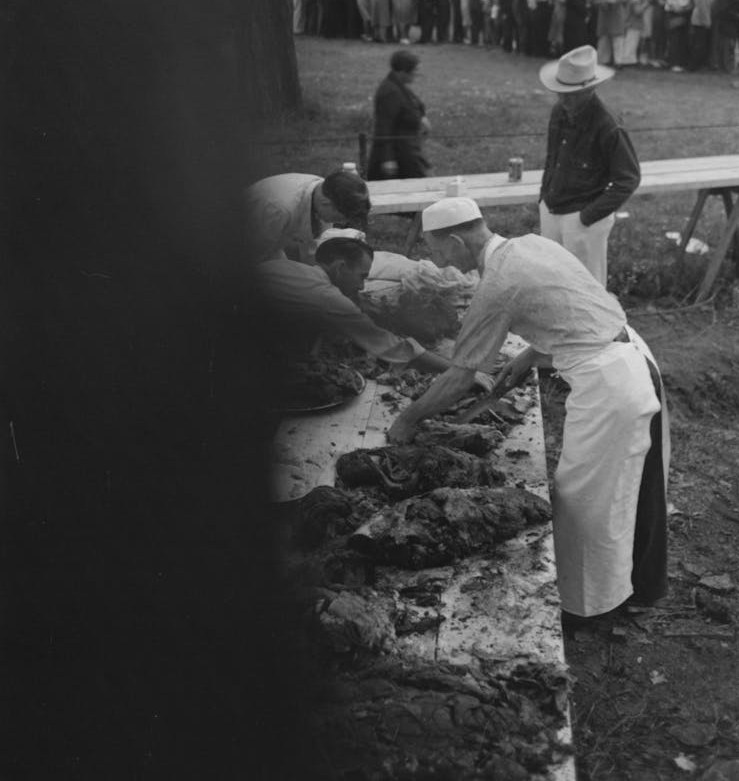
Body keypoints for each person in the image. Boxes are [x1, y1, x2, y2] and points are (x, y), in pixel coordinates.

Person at [387, 196, 670, 627]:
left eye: (436, 249)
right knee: (639, 483)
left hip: (611, 382)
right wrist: (529, 356)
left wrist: (408, 419)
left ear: (458, 240)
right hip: (631, 352)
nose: (435, 259)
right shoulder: (533, 245)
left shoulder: (498, 284)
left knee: (585, 500)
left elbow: (461, 376)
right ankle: (643, 589)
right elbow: (571, 304)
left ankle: (586, 612)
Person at [254, 230, 459, 374]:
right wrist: (456, 372)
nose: (362, 286)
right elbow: (391, 346)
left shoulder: (282, 265)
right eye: (361, 276)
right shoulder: (327, 298)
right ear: (340, 267)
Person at [538, 46, 640, 287]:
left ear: (590, 88)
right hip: (553, 206)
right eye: (560, 92)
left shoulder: (608, 125)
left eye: (572, 94)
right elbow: (553, 158)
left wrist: (587, 217)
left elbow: (628, 179)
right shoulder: (559, 111)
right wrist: (544, 197)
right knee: (551, 281)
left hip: (583, 214)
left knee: (587, 288)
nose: (564, 99)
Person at [246, 169, 371, 264]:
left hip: (274, 242)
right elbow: (256, 258)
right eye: (341, 217)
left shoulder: (324, 189)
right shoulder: (278, 209)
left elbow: (311, 248)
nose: (343, 222)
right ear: (326, 203)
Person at [367, 49, 430, 180]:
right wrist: (387, 159)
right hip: (398, 154)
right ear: (402, 71)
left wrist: (421, 117)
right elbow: (383, 127)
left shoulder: (399, 85)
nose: (417, 74)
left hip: (408, 150)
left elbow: (416, 103)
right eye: (414, 70)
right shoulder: (389, 92)